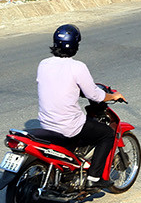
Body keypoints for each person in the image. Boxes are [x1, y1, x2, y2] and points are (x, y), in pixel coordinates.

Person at [36, 23, 123, 187]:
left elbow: (56, 84)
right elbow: (95, 95)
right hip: (68, 127)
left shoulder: (43, 64)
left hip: (46, 124)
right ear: (75, 45)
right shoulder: (77, 67)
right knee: (107, 135)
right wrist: (113, 96)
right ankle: (95, 179)